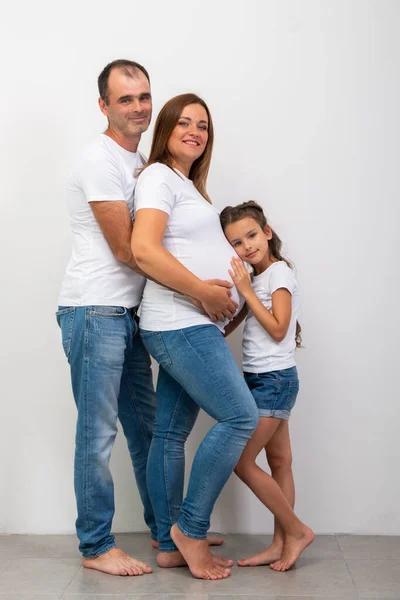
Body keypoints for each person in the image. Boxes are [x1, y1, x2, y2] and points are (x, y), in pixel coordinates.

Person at [131, 93, 259, 580]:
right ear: (165, 129)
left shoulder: (184, 185)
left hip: (186, 324)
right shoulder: (160, 178)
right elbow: (144, 250)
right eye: (184, 122)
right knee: (240, 415)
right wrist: (205, 296)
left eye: (202, 125)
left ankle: (168, 543)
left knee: (169, 433)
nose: (195, 131)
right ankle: (191, 529)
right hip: (179, 322)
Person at [56, 59, 157, 577]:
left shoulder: (137, 162)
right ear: (104, 106)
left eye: (143, 96)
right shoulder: (99, 159)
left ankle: (167, 532)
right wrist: (195, 288)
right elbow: (124, 248)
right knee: (97, 435)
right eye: (125, 99)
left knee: (149, 430)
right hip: (95, 309)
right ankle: (95, 545)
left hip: (127, 313)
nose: (139, 106)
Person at [220, 201, 314, 571]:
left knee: (242, 463)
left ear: (268, 232)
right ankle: (280, 544)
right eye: (237, 243)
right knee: (279, 462)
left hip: (275, 381)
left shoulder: (277, 274)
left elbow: (277, 328)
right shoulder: (257, 279)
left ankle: (296, 531)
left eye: (252, 235)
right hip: (261, 379)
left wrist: (245, 291)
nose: (247, 246)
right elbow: (234, 324)